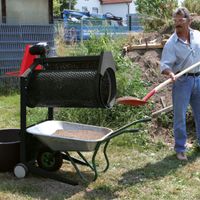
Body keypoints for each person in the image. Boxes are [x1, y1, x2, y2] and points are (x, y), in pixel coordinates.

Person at [160, 7, 200, 161]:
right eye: (175, 21)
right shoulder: (171, 43)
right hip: (182, 81)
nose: (177, 23)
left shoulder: (197, 35)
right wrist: (170, 73)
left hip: (199, 78)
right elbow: (165, 64)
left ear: (188, 21)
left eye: (180, 20)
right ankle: (180, 149)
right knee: (179, 117)